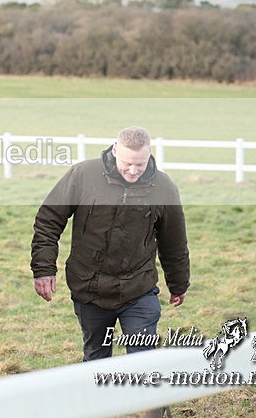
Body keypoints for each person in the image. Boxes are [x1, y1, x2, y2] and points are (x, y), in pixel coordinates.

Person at [31, 126, 190, 364]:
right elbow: (48, 220)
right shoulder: (82, 175)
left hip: (138, 288)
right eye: (127, 163)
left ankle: (151, 402)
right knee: (96, 360)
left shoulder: (164, 188)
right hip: (89, 288)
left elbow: (174, 241)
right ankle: (97, 400)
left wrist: (179, 283)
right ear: (115, 150)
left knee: (143, 360)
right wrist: (43, 269)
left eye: (141, 164)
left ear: (149, 155)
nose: (133, 171)